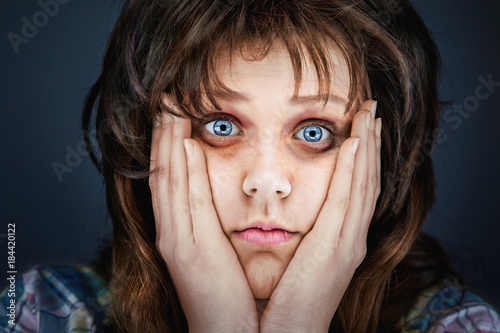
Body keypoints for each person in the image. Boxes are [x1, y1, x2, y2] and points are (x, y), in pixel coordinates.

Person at [1, 0, 499, 332]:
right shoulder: (40, 312)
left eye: (314, 132)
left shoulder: (459, 326)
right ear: (147, 143)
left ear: (381, 154)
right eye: (220, 125)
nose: (265, 182)